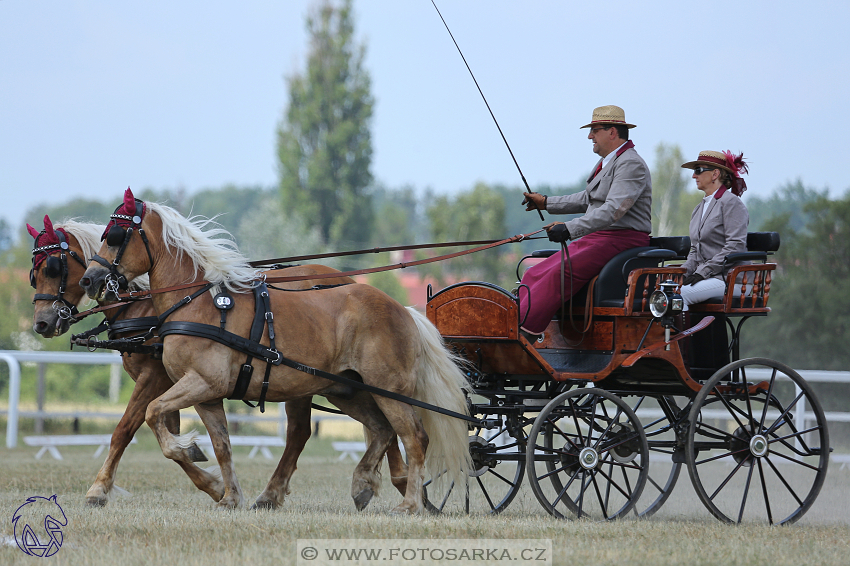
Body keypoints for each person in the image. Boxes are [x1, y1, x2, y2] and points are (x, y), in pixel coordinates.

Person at [518, 105, 652, 335]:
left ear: (612, 132)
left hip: (620, 239)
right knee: (533, 273)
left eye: (594, 130)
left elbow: (613, 210)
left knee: (558, 275)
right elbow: (588, 199)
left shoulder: (631, 164)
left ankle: (524, 333)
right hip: (599, 237)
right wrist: (546, 203)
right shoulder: (609, 162)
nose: (590, 136)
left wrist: (569, 228)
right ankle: (514, 323)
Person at [679, 150, 750, 310]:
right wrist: (682, 272)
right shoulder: (699, 209)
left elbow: (735, 246)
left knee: (677, 295)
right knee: (663, 290)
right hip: (708, 278)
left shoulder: (731, 203)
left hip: (731, 279)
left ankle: (685, 335)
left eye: (698, 170)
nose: (693, 176)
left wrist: (703, 271)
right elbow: (695, 250)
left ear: (715, 174)